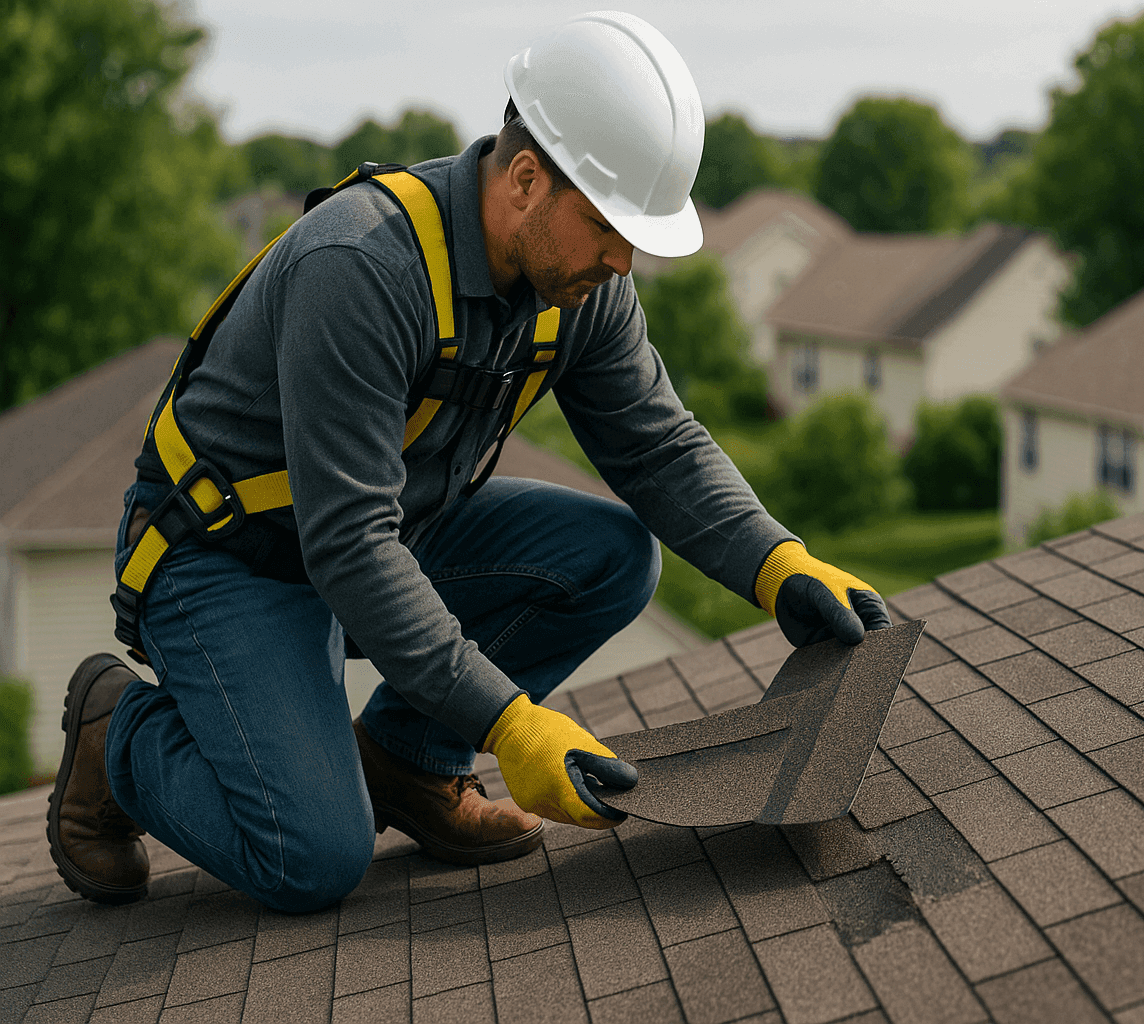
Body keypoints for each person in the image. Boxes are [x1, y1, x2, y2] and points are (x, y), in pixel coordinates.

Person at [47, 11, 889, 913]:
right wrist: (510, 724)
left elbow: (659, 444)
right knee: (313, 857)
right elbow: (353, 548)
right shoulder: (362, 266)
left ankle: (410, 762)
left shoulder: (581, 286)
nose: (624, 258)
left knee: (608, 555)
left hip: (374, 533)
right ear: (526, 178)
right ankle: (116, 732)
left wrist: (776, 563)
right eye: (610, 225)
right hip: (227, 558)